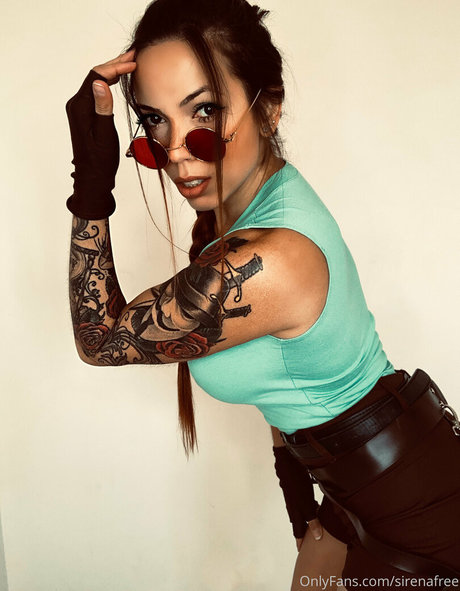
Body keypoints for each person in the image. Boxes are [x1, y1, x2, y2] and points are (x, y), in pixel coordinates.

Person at [65, 0, 460, 588]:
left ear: (269, 107)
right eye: (155, 121)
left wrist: (92, 182)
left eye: (203, 110)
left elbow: (98, 339)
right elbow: (283, 382)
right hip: (363, 487)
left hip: (421, 519)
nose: (177, 151)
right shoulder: (256, 207)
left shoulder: (270, 257)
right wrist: (306, 512)